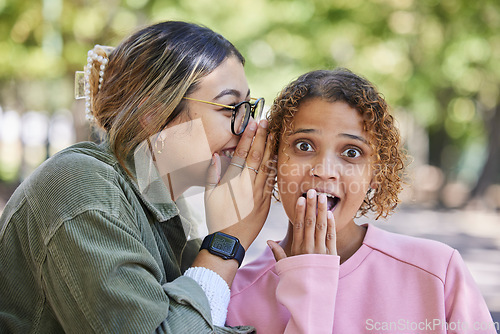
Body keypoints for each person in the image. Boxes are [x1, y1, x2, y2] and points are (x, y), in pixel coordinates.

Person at [0, 21, 277, 333]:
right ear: (153, 114)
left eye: (248, 108)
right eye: (230, 109)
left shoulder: (158, 198)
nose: (248, 129)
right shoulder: (82, 187)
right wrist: (226, 243)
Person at [225, 69, 497, 333]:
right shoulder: (234, 296)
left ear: (376, 174)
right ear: (272, 159)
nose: (325, 169)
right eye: (304, 146)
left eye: (351, 152)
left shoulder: (438, 273)